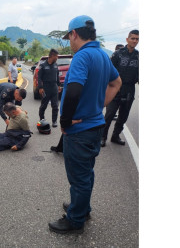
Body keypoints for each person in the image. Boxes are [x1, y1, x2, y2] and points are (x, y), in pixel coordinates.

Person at [48, 15, 122, 234]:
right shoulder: (102, 55)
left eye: (69, 37)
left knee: (78, 177)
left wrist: (64, 120)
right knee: (86, 172)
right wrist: (98, 105)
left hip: (79, 130)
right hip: (95, 126)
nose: (69, 43)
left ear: (74, 34)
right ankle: (82, 207)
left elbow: (73, 90)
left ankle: (75, 219)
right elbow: (116, 83)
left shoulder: (82, 56)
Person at [101, 30, 139, 147]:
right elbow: (108, 71)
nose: (135, 41)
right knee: (109, 115)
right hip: (116, 88)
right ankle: (102, 137)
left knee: (123, 116)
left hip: (129, 89)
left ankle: (115, 136)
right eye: (132, 38)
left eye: (137, 39)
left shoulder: (139, 56)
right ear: (127, 39)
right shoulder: (118, 54)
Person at [38, 49, 62, 128]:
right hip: (46, 88)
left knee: (55, 105)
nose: (57, 58)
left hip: (54, 87)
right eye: (56, 56)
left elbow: (57, 76)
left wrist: (59, 85)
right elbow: (39, 77)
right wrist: (40, 87)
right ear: (52, 56)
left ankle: (54, 121)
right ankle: (42, 119)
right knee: (43, 105)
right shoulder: (43, 65)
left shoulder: (56, 65)